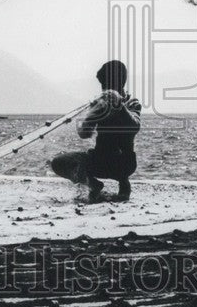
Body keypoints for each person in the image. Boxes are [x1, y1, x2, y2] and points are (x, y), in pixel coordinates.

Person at [50, 60, 141, 202]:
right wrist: (93, 112)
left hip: (123, 163)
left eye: (106, 84)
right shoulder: (101, 103)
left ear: (119, 81)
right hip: (99, 160)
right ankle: (93, 185)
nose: (103, 88)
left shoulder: (132, 103)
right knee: (58, 162)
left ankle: (124, 185)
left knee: (122, 167)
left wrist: (119, 106)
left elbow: (134, 126)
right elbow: (84, 134)